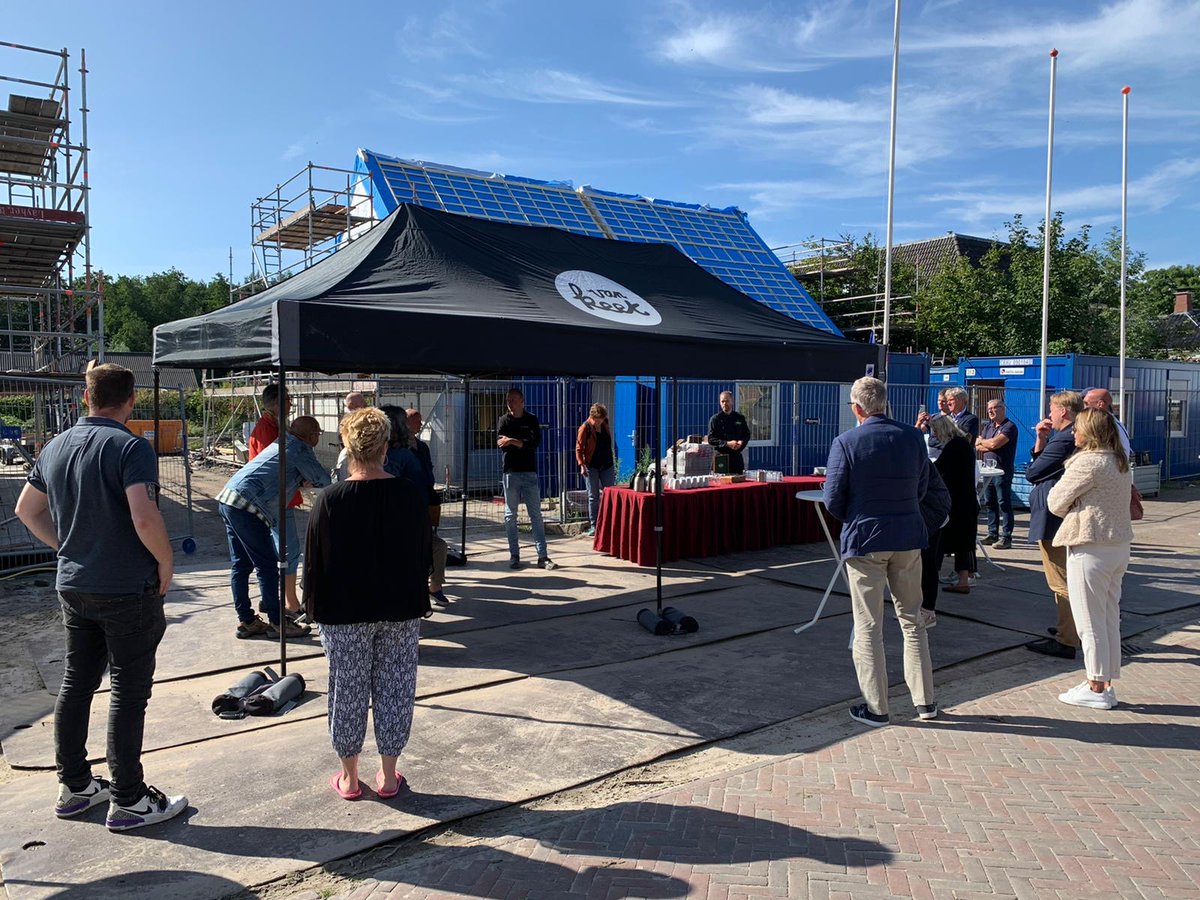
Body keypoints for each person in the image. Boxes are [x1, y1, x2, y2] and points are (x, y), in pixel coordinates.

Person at [15, 363, 187, 831]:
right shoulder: (130, 447)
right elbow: (143, 515)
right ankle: (129, 799)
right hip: (127, 588)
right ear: (131, 399)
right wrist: (165, 562)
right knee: (128, 693)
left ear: (85, 398)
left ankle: (74, 785)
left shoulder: (55, 447)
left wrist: (66, 547)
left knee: (77, 682)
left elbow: (26, 509)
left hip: (75, 585)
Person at [304, 408, 431, 800]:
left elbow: (314, 565)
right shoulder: (409, 495)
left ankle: (349, 778)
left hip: (344, 612)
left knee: (347, 691)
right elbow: (423, 556)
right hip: (400, 608)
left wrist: (313, 611)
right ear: (385, 448)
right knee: (396, 688)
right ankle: (389, 776)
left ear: (348, 447)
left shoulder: (330, 499)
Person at [823, 376, 936, 727]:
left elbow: (833, 498)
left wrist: (859, 515)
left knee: (868, 625)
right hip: (907, 535)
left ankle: (877, 707)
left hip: (866, 539)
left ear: (857, 408)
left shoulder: (846, 442)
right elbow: (921, 486)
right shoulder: (912, 437)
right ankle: (925, 701)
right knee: (912, 620)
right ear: (884, 403)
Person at [1047, 409, 1134, 709]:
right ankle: (1104, 683)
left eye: (1078, 428)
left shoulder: (1088, 462)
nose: (1073, 432)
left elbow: (1055, 501)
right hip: (1118, 544)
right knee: (1108, 616)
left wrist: (1076, 503)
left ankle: (1096, 687)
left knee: (1089, 620)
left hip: (1090, 545)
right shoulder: (1119, 460)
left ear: (1091, 432)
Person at [217, 416, 329, 639]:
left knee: (241, 564)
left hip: (230, 498)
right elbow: (324, 480)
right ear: (311, 436)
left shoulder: (283, 442)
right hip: (248, 506)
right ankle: (278, 622)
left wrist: (300, 479)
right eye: (318, 434)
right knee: (267, 566)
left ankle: (247, 620)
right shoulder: (299, 449)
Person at [1025, 390, 1085, 659]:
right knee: (1065, 576)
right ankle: (1068, 627)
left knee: (1060, 579)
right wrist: (1040, 439)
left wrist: (1046, 444)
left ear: (1063, 411)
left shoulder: (1065, 439)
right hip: (1058, 514)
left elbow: (1033, 472)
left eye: (1052, 409)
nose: (1049, 414)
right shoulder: (1066, 437)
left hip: (1053, 517)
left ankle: (1067, 638)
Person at [247, 382, 304, 616]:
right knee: (289, 550)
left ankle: (272, 598)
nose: (291, 404)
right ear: (278, 403)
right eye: (288, 400)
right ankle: (290, 602)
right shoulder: (267, 428)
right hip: (276, 500)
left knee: (279, 549)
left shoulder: (273, 426)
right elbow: (273, 466)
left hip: (276, 498)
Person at [497, 388, 556, 570]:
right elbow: (501, 444)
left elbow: (534, 443)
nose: (510, 403)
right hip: (510, 472)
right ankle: (514, 554)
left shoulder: (531, 420)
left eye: (513, 400)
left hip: (529, 471)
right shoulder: (504, 420)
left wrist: (513, 441)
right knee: (510, 516)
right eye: (508, 400)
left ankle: (542, 556)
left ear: (522, 401)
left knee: (535, 515)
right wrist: (520, 442)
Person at [930, 415, 978, 595]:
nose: (935, 435)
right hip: (966, 500)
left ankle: (931, 574)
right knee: (963, 542)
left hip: (955, 501)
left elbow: (938, 468)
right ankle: (963, 579)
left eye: (935, 431)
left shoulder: (953, 446)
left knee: (940, 538)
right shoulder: (964, 443)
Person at [407, 407, 450, 606]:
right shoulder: (397, 449)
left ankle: (435, 586)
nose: (420, 423)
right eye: (416, 420)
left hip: (424, 503)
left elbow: (428, 471)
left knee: (436, 545)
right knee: (421, 547)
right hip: (407, 505)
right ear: (406, 422)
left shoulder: (422, 447)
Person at [976, 398, 1018, 549]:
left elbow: (994, 443)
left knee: (1004, 503)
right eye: (989, 409)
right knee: (990, 503)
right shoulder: (988, 426)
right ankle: (992, 534)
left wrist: (986, 442)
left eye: (994, 408)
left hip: (1002, 471)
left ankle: (1006, 537)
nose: (991, 411)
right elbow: (977, 446)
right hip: (988, 471)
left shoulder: (1009, 427)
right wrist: (987, 443)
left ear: (1003, 408)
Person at [918, 461, 952, 629]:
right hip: (929, 510)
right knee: (922, 563)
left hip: (931, 512)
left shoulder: (914, 454)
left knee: (927, 562)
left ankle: (927, 610)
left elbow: (918, 490)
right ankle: (921, 609)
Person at [576, 403, 616, 535]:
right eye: (597, 420)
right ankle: (594, 526)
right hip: (591, 466)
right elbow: (579, 449)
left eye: (601, 419)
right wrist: (582, 465)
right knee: (593, 496)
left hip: (607, 465)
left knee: (609, 494)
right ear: (592, 417)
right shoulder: (585, 428)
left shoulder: (605, 424)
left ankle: (609, 523)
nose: (599, 422)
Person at [707, 391, 751, 474]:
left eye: (727, 401)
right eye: (722, 401)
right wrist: (727, 443)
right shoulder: (715, 419)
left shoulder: (739, 418)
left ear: (732, 401)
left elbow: (746, 434)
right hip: (721, 457)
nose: (724, 403)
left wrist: (741, 442)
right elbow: (711, 439)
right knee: (720, 480)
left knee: (738, 479)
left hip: (736, 457)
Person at [1083, 388, 1132, 458]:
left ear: (1100, 404)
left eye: (1086, 403)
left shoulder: (1104, 426)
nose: (1084, 408)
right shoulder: (1115, 423)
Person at [915, 389, 952, 458]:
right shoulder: (933, 417)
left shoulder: (954, 417)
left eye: (943, 401)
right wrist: (919, 422)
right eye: (939, 400)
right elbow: (917, 432)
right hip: (932, 457)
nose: (940, 403)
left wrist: (932, 422)